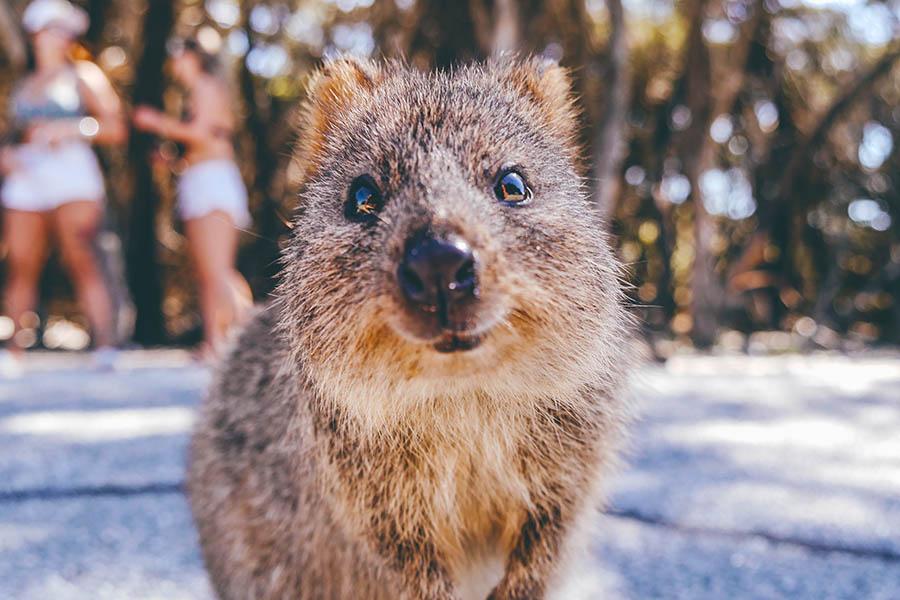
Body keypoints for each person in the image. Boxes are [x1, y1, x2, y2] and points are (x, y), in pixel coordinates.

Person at [0, 0, 126, 375]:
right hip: (27, 177)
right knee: (21, 262)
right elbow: (14, 135)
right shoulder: (23, 83)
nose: (62, 36)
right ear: (36, 34)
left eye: (65, 29)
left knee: (82, 256)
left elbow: (115, 128)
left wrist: (73, 129)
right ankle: (13, 349)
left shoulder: (83, 75)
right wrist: (7, 155)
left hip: (72, 175)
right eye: (54, 28)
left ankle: (105, 345)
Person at [133, 37, 251, 360]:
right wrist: (172, 159)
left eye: (178, 55)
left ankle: (248, 340)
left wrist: (155, 121)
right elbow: (202, 142)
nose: (173, 63)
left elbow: (201, 134)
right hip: (200, 179)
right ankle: (215, 343)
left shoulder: (207, 86)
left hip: (213, 182)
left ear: (194, 57)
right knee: (208, 270)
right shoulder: (197, 92)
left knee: (218, 270)